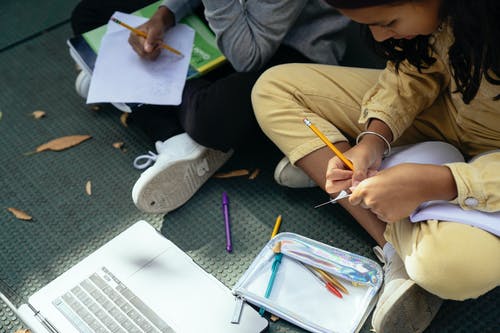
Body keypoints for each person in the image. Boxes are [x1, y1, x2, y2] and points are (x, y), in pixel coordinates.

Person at [252, 0, 500, 332]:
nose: (380, 38)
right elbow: (417, 69)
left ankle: (346, 174)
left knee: (452, 269)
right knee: (273, 89)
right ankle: (395, 248)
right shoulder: (449, 13)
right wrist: (373, 138)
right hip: (446, 110)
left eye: (388, 21)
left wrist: (438, 182)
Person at [70, 0, 350, 214]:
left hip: (287, 51)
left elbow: (247, 55)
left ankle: (124, 81)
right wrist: (165, 14)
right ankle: (171, 131)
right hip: (226, 22)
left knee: (211, 118)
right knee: (91, 13)